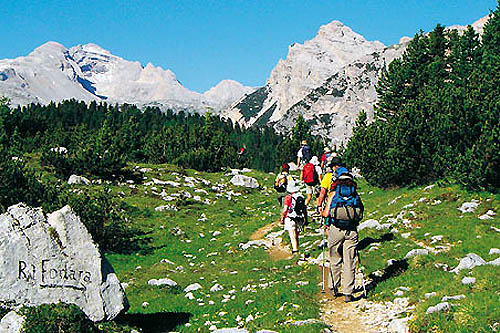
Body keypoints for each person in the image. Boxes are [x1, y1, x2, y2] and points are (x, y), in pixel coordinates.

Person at [316, 157, 358, 303]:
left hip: (336, 229)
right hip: (351, 230)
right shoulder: (354, 192)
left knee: (334, 258)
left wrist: (322, 212)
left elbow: (326, 213)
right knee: (350, 260)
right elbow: (360, 213)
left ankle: (333, 287)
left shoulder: (334, 191)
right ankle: (348, 292)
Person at [280, 181, 307, 255]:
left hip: (290, 217)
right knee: (297, 233)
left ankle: (295, 250)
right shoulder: (301, 196)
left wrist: (282, 217)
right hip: (299, 217)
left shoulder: (288, 197)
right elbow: (304, 208)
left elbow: (285, 209)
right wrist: (306, 218)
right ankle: (297, 246)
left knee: (292, 234)